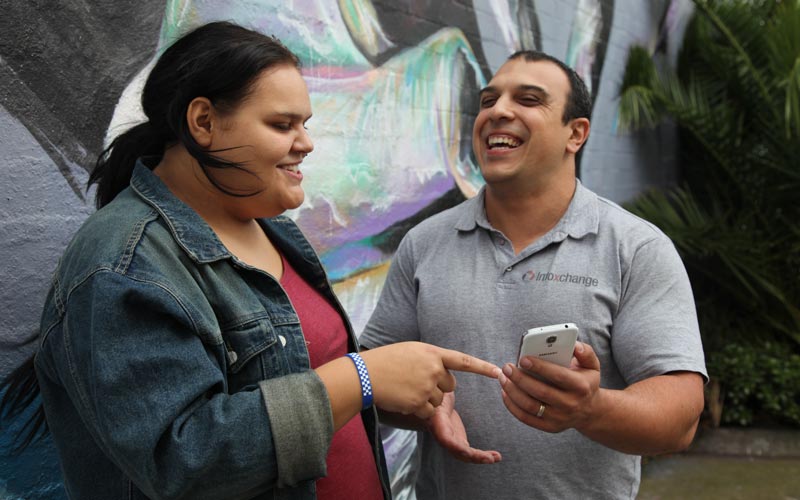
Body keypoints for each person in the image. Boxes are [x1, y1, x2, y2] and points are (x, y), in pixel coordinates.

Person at [4, 21, 502, 500]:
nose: (305, 143)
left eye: (304, 124)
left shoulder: (274, 232)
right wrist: (364, 376)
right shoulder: (122, 266)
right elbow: (185, 462)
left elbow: (311, 385)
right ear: (203, 123)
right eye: (282, 124)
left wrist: (397, 393)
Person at [360, 50, 707, 499]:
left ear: (575, 134)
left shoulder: (635, 248)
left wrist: (589, 407)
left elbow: (681, 419)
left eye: (528, 99)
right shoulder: (423, 244)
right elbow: (370, 381)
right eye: (488, 100)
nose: (497, 111)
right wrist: (426, 407)